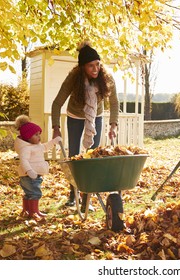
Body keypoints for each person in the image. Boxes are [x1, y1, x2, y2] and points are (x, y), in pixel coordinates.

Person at [51, 42, 119, 211]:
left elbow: (114, 102)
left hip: (95, 117)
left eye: (97, 64)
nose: (95, 69)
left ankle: (86, 197)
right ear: (82, 67)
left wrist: (113, 125)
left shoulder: (107, 78)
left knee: (92, 156)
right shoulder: (73, 79)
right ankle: (73, 194)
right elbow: (57, 103)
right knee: (74, 156)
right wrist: (56, 127)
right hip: (75, 116)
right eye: (90, 66)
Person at [14, 115, 62, 220]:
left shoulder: (35, 145)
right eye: (36, 135)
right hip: (30, 175)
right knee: (35, 193)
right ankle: (34, 212)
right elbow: (24, 161)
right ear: (28, 137)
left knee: (28, 193)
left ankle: (26, 210)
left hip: (32, 174)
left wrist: (54, 141)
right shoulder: (26, 149)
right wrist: (29, 171)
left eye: (39, 134)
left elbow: (45, 147)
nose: (39, 137)